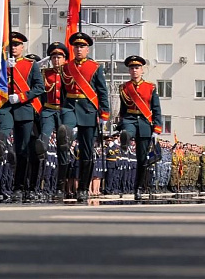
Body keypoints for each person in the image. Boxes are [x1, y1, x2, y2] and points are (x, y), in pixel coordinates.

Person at [58, 32, 110, 202]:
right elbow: (64, 90)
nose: (79, 49)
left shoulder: (95, 67)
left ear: (87, 49)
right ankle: (60, 185)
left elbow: (102, 91)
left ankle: (82, 188)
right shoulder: (66, 67)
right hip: (70, 107)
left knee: (87, 152)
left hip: (88, 109)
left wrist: (104, 113)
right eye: (76, 47)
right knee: (64, 132)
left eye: (82, 47)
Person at [0, 31, 44, 202]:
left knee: (22, 151)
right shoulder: (2, 64)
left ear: (23, 47)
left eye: (17, 45)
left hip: (24, 109)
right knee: (4, 129)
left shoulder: (31, 65)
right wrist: (4, 68)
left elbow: (39, 88)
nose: (14, 48)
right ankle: (0, 142)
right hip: (7, 107)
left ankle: (21, 187)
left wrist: (22, 96)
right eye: (11, 45)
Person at [117, 55, 162, 200]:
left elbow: (156, 109)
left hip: (144, 122)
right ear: (129, 71)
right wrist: (120, 122)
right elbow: (123, 109)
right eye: (131, 68)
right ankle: (126, 139)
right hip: (129, 119)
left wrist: (157, 129)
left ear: (142, 70)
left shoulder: (150, 87)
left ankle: (138, 188)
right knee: (127, 131)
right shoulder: (124, 88)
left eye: (137, 68)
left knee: (142, 159)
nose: (134, 70)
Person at [40, 42, 69, 200]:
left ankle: (60, 186)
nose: (56, 60)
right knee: (43, 139)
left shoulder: (69, 73)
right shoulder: (45, 74)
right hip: (49, 110)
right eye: (53, 57)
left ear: (65, 58)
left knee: (63, 149)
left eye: (59, 57)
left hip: (64, 112)